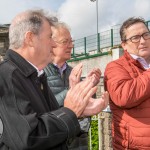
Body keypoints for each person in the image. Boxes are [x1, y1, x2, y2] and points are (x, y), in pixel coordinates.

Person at [0, 9, 109, 150]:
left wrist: (79, 111)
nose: (53, 44)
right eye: (50, 37)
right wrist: (70, 112)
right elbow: (29, 138)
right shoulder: (7, 75)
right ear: (30, 38)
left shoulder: (35, 75)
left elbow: (48, 118)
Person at [44, 22, 102, 149]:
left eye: (71, 41)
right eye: (65, 41)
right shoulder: (39, 72)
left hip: (77, 141)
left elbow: (85, 105)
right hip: (54, 141)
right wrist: (73, 90)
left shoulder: (72, 71)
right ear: (50, 43)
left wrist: (90, 85)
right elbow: (44, 105)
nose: (71, 45)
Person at [104, 17, 150, 150]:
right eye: (135, 38)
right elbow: (124, 96)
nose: (142, 41)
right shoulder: (115, 67)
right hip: (135, 146)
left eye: (146, 35)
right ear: (124, 45)